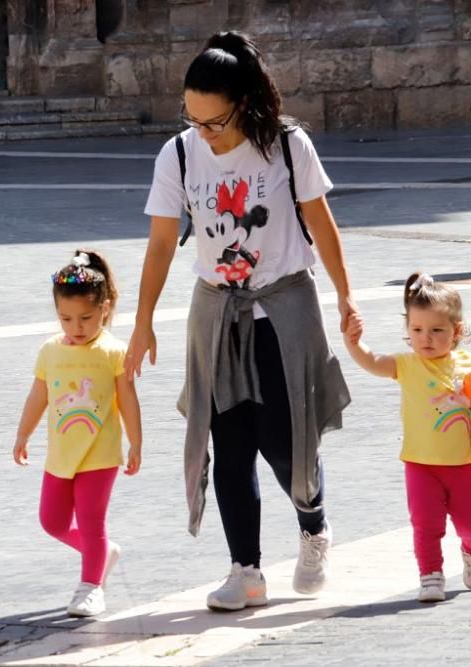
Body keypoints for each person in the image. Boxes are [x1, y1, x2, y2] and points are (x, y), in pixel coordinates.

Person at [124, 31, 356, 611]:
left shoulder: (286, 145)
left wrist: (347, 298)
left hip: (283, 306)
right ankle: (245, 569)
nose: (203, 132)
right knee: (227, 444)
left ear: (246, 102)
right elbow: (158, 245)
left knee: (284, 439)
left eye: (215, 122)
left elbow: (322, 225)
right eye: (193, 118)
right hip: (216, 313)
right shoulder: (178, 154)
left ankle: (313, 526)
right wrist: (142, 320)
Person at [13, 250, 142, 617]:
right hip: (60, 454)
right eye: (65, 318)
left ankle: (91, 586)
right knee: (52, 522)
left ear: (105, 308)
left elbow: (128, 399)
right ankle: (102, 553)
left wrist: (136, 441)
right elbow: (38, 394)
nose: (76, 326)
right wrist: (23, 435)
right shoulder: (50, 350)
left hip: (100, 455)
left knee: (91, 522)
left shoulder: (114, 352)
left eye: (85, 317)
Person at [343, 272, 471, 603]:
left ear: (456, 332)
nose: (425, 338)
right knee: (425, 523)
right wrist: (353, 344)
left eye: (436, 330)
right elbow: (372, 362)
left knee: (469, 524)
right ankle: (430, 574)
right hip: (420, 463)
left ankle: (468, 553)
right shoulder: (407, 365)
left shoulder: (467, 365)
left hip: (465, 464)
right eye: (416, 330)